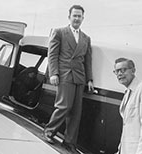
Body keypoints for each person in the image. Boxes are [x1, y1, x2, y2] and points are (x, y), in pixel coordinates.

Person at [43, 4, 94, 153]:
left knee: (76, 112)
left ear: (83, 18)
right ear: (69, 17)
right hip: (65, 74)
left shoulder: (86, 38)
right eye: (74, 15)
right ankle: (49, 131)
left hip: (80, 77)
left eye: (79, 16)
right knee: (64, 106)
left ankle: (69, 141)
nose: (77, 18)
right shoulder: (59, 32)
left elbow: (87, 60)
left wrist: (89, 79)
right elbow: (52, 54)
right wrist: (54, 73)